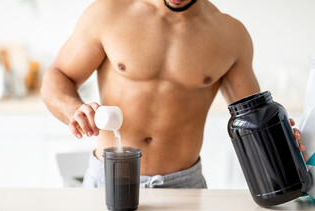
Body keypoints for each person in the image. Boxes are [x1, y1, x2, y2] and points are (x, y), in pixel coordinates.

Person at [41, 0, 306, 188]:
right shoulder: (108, 13)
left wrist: (280, 142)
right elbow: (57, 76)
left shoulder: (230, 34)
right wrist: (74, 109)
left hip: (183, 187)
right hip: (109, 179)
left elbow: (254, 120)